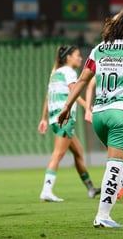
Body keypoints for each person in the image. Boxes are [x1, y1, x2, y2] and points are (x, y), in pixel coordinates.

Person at [57, 6, 123, 228]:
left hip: (100, 115)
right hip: (122, 114)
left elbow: (83, 80)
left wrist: (66, 107)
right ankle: (102, 215)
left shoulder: (99, 49)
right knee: (116, 166)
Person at [38, 45, 100, 202]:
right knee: (58, 154)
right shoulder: (69, 72)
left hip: (54, 118)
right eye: (77, 55)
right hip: (64, 118)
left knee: (78, 153)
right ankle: (46, 190)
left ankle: (91, 188)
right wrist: (87, 107)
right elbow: (74, 92)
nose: (80, 58)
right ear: (68, 58)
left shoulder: (55, 74)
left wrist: (44, 118)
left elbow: (47, 97)